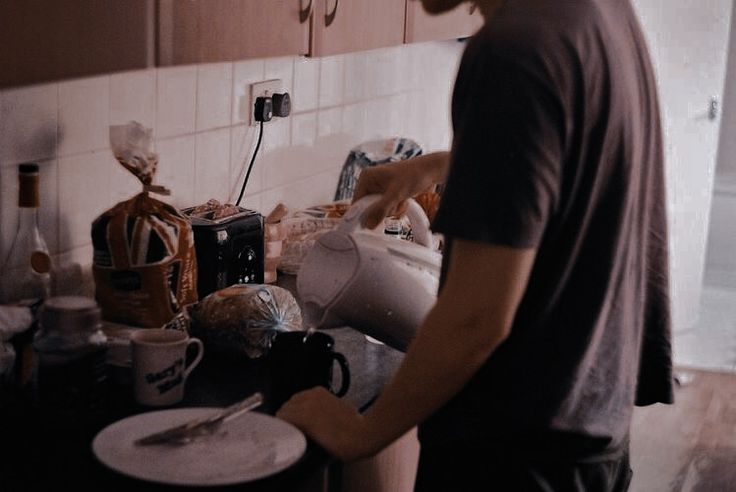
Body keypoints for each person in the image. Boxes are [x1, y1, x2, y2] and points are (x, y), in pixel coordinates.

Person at [277, 0, 674, 490]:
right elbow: (575, 153)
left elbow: (477, 318)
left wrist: (362, 433)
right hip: (588, 430)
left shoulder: (512, 49)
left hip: (513, 457)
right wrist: (446, 165)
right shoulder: (592, 12)